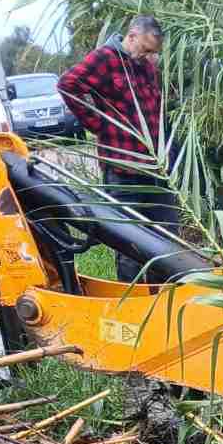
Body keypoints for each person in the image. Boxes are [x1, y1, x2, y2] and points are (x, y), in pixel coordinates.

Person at [57, 14, 180, 282]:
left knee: (167, 233)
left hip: (156, 168)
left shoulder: (146, 66)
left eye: (152, 52)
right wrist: (98, 125)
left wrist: (169, 155)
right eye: (145, 49)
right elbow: (68, 84)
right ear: (132, 35)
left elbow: (155, 112)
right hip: (123, 168)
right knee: (129, 240)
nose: (147, 56)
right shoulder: (105, 59)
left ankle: (165, 295)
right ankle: (134, 299)